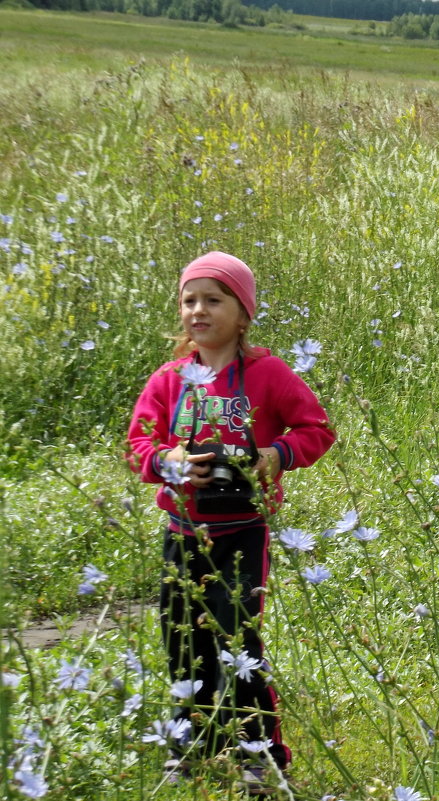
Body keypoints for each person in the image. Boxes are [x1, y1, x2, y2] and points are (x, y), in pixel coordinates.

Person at [127, 251, 335, 793]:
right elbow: (138, 444)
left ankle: (260, 755)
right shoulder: (169, 380)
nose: (198, 309)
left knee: (236, 643)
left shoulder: (268, 374)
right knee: (181, 642)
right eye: (189, 299)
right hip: (183, 532)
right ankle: (188, 745)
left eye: (213, 299)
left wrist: (276, 454)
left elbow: (316, 428)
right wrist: (167, 462)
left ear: (242, 313)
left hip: (244, 529)